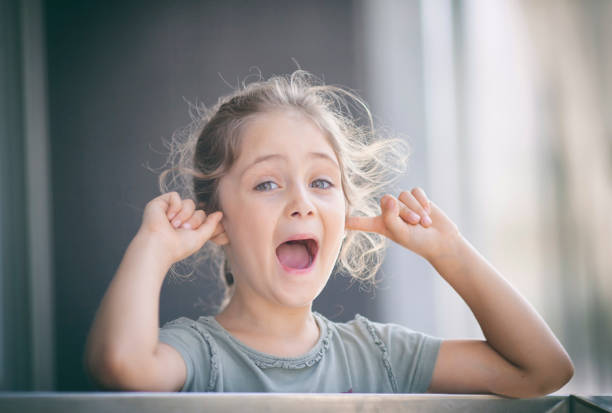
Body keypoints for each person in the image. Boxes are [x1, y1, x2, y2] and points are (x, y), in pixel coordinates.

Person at [84, 70, 573, 397]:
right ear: (218, 221)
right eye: (267, 183)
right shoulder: (199, 355)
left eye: (321, 182)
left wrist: (452, 253)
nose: (302, 202)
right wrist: (152, 248)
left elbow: (543, 371)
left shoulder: (378, 356)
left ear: (344, 212)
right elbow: (121, 366)